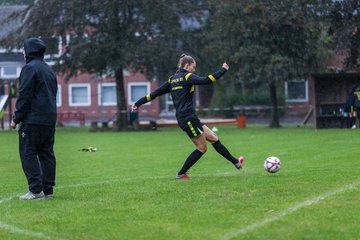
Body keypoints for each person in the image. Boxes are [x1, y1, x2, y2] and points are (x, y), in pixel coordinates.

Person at [131, 54, 244, 179]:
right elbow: (208, 80)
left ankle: (236, 162)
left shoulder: (172, 80)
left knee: (213, 137)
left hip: (189, 117)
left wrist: (137, 103)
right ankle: (181, 174)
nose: (194, 69)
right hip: (187, 118)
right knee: (202, 148)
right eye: (193, 67)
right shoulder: (187, 76)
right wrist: (223, 70)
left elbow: (154, 94)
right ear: (187, 65)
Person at [11, 37, 57, 199]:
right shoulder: (48, 69)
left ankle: (36, 190)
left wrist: (16, 118)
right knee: (47, 153)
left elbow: (25, 96)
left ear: (29, 51)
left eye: (24, 49)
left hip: (33, 120)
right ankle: (48, 190)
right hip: (49, 119)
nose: (23, 53)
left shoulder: (30, 68)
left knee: (28, 152)